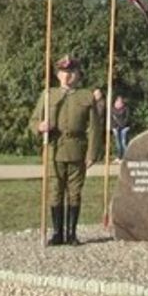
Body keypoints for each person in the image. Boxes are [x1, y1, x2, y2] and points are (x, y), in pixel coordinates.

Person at [31, 56, 102, 246]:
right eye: (63, 72)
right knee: (55, 192)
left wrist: (92, 154)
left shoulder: (86, 96)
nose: (67, 76)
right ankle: (57, 233)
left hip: (77, 149)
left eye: (72, 72)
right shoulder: (48, 95)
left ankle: (71, 234)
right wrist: (40, 126)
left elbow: (95, 127)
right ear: (57, 74)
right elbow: (33, 121)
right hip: (54, 149)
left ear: (79, 75)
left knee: (74, 192)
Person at [110, 95, 131, 162]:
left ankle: (126, 157)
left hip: (124, 127)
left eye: (120, 100)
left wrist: (122, 125)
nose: (119, 102)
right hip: (116, 128)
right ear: (116, 101)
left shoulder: (125, 108)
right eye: (118, 100)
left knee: (123, 142)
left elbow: (127, 118)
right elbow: (111, 119)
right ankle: (119, 157)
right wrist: (113, 127)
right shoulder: (112, 109)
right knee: (118, 143)